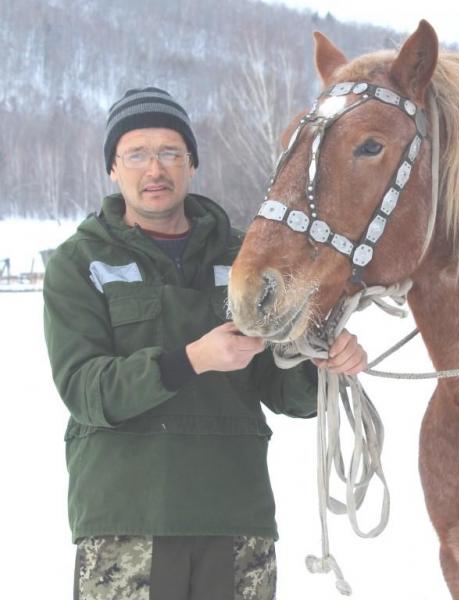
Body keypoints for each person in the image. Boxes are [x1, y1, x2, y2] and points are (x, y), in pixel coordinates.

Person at [43, 86, 367, 600]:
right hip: (126, 519)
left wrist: (324, 364)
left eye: (171, 152)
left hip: (236, 517)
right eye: (137, 154)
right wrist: (192, 360)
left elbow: (284, 389)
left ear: (191, 163)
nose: (155, 169)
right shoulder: (79, 263)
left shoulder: (246, 256)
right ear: (112, 168)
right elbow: (87, 392)